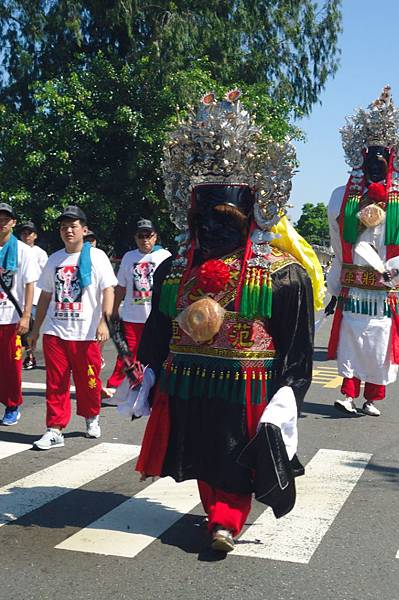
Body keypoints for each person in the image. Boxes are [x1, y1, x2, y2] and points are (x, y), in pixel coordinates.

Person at [134, 91, 323, 553]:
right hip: (189, 375)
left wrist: (289, 391)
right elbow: (158, 326)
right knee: (199, 446)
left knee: (236, 449)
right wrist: (149, 369)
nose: (215, 231)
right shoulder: (173, 269)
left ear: (251, 219)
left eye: (227, 221)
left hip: (248, 381)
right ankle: (213, 510)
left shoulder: (281, 273)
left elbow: (296, 344)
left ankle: (226, 519)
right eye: (206, 220)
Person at [326, 86, 399, 417]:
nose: (376, 164)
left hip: (384, 286)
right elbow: (335, 244)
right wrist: (335, 282)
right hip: (355, 285)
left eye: (383, 157)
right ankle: (347, 391)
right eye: (370, 157)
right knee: (351, 339)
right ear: (360, 157)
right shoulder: (341, 196)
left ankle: (372, 397)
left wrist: (397, 270)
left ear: (395, 158)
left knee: (380, 343)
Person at [29, 205, 117, 450]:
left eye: (73, 226)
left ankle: (91, 416)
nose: (68, 231)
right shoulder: (55, 259)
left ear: (84, 229)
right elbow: (45, 295)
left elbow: (108, 290)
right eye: (64, 227)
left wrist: (104, 322)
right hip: (55, 330)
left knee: (88, 380)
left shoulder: (97, 257)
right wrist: (36, 330)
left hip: (86, 332)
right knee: (55, 382)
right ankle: (54, 429)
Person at [105, 219, 171, 396]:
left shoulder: (164, 256)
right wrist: (113, 310)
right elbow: (121, 287)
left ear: (155, 237)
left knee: (156, 352)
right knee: (127, 353)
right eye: (140, 236)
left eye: (148, 235)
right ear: (135, 238)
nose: (144, 240)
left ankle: (154, 386)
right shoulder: (129, 257)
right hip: (132, 316)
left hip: (156, 315)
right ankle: (116, 384)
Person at [0, 203, 39, 425]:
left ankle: (13, 405)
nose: (2, 223)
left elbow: (29, 285)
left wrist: (26, 316)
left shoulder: (23, 251)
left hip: (12, 318)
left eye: (6, 219)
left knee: (12, 366)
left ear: (13, 222)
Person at [19, 220, 48, 369]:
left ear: (35, 236)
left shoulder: (40, 253)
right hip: (18, 298)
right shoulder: (15, 250)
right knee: (19, 331)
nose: (26, 236)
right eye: (23, 233)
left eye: (29, 233)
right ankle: (24, 356)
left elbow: (46, 275)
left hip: (35, 297)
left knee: (30, 330)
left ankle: (30, 356)